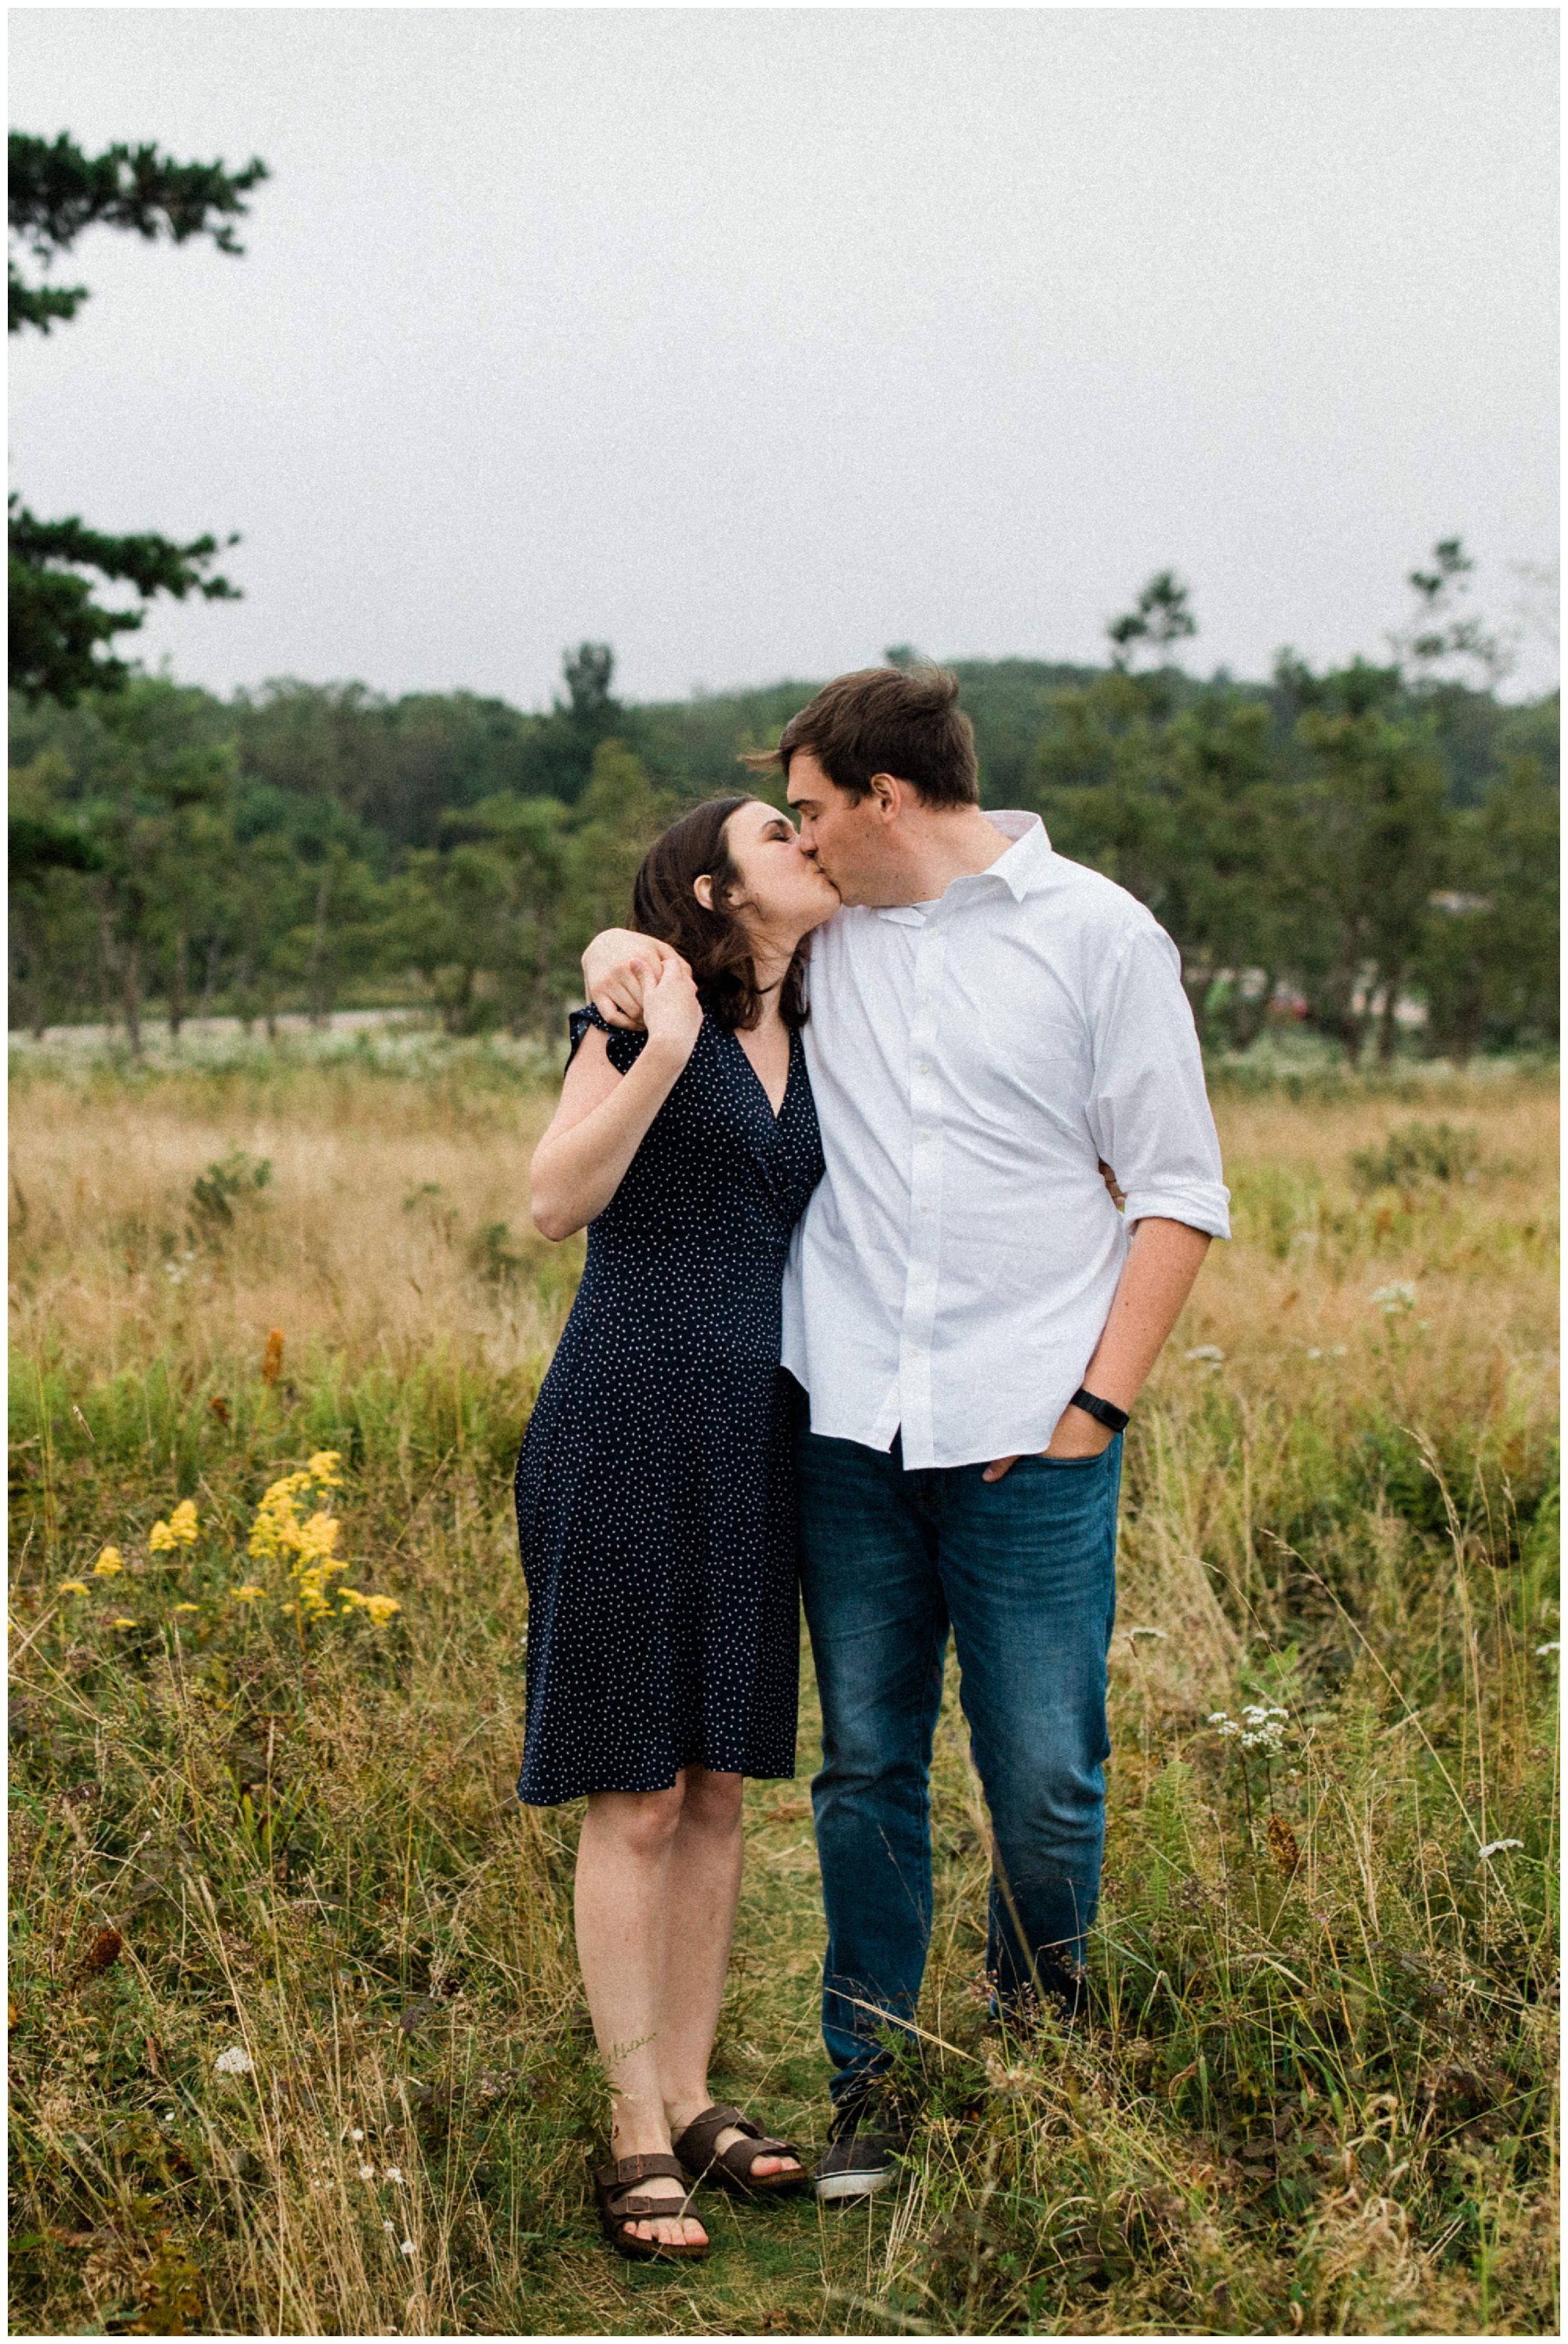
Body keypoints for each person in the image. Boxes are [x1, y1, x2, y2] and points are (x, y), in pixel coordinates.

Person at [582, 664, 1232, 2204]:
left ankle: (1035, 2066)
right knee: (867, 1770)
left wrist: (1092, 1413)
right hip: (848, 1431)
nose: (799, 843)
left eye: (812, 811)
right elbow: (677, 942)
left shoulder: (1099, 937)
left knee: (1045, 1776)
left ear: (886, 800)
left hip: (1029, 1437)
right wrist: (616, 942)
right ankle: (874, 2085)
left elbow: (1177, 1190)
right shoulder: (827, 937)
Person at [517, 793, 838, 2259]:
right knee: (633, 1791)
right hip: (628, 1416)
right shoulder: (637, 1008)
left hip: (759, 1432)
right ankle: (634, 2124)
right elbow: (551, 1199)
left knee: (718, 1784)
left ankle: (700, 2095)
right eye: (785, 833)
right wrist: (661, 1054)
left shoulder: (830, 1026)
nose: (811, 848)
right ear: (714, 888)